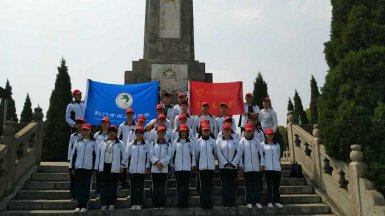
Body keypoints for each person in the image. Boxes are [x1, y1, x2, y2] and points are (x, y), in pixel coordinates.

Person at [95, 125, 127, 212]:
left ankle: (112, 203)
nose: (112, 133)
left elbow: (125, 156)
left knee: (113, 187)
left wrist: (122, 166)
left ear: (116, 133)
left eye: (114, 131)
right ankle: (104, 204)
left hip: (115, 167)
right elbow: (98, 155)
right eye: (110, 131)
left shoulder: (120, 143)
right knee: (104, 186)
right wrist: (97, 167)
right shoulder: (103, 143)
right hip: (104, 166)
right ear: (108, 133)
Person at [195, 124, 225, 209]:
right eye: (204, 130)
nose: (206, 131)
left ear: (209, 131)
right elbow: (196, 155)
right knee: (203, 186)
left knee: (210, 185)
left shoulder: (213, 141)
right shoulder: (198, 141)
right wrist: (197, 164)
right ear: (202, 131)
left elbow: (216, 153)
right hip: (202, 167)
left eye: (207, 130)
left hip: (211, 167)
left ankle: (209, 202)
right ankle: (203, 203)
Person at [70, 123, 97, 213]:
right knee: (78, 187)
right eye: (84, 130)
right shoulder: (78, 142)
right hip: (78, 167)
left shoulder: (94, 142)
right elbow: (73, 155)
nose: (85, 131)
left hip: (88, 168)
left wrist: (95, 167)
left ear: (90, 131)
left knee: (86, 187)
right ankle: (78, 204)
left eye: (87, 130)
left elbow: (96, 156)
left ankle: (85, 204)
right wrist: (72, 167)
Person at [238, 123, 265, 209]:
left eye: (250, 131)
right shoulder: (241, 142)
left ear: (252, 132)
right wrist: (241, 164)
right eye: (247, 131)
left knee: (256, 186)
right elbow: (240, 155)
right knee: (248, 186)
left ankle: (257, 201)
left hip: (256, 167)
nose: (249, 133)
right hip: (247, 168)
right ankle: (248, 201)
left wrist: (261, 164)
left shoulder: (257, 141)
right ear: (244, 132)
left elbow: (261, 154)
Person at [216, 123, 242, 207]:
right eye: (225, 130)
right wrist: (225, 163)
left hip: (233, 167)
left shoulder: (236, 141)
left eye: (228, 130)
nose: (227, 131)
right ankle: (226, 201)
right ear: (222, 131)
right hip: (223, 167)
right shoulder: (219, 141)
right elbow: (218, 153)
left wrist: (233, 163)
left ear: (231, 131)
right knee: (225, 185)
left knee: (232, 185)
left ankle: (232, 201)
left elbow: (239, 152)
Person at [171, 124, 196, 208]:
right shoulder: (175, 142)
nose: (183, 133)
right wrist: (172, 164)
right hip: (178, 168)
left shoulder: (191, 142)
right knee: (179, 186)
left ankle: (185, 203)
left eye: (185, 131)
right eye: (182, 132)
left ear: (187, 132)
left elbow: (193, 154)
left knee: (186, 186)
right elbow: (172, 154)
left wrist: (193, 164)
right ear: (180, 132)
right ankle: (180, 203)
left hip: (187, 167)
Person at [149, 126, 173, 209]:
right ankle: (155, 204)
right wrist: (156, 162)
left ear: (165, 134)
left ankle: (162, 204)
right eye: (160, 132)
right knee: (155, 187)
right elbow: (151, 154)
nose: (161, 134)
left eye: (163, 132)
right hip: (155, 169)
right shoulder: (152, 143)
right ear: (157, 133)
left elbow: (169, 155)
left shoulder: (168, 144)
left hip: (164, 169)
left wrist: (162, 163)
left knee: (163, 188)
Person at [127, 126, 150, 210]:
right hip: (132, 169)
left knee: (140, 187)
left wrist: (147, 166)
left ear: (143, 134)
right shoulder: (130, 144)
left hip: (142, 169)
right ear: (135, 134)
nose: (138, 134)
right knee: (132, 187)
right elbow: (127, 157)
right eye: (137, 133)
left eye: (140, 132)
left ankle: (140, 203)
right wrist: (126, 167)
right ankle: (133, 203)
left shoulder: (147, 144)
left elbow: (148, 157)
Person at [262, 128, 283, 208]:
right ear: (266, 135)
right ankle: (269, 201)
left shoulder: (277, 145)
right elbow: (262, 157)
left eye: (272, 134)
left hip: (277, 168)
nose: (271, 136)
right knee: (269, 186)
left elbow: (278, 156)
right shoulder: (262, 145)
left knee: (276, 186)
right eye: (269, 134)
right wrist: (263, 165)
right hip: (268, 168)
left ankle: (277, 201)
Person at [117, 108, 136, 189]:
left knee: (131, 165)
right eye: (128, 114)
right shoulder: (121, 126)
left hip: (133, 148)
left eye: (131, 113)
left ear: (133, 114)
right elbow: (118, 137)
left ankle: (130, 182)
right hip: (124, 148)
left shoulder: (136, 125)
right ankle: (122, 182)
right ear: (126, 115)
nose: (129, 115)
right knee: (123, 166)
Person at [67, 117, 85, 201]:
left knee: (81, 180)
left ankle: (81, 195)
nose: (80, 125)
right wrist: (70, 160)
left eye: (81, 123)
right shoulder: (73, 136)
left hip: (83, 161)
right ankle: (73, 195)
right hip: (74, 161)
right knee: (73, 179)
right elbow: (70, 148)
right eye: (78, 123)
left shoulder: (86, 135)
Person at [93, 116, 110, 200]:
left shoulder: (111, 134)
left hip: (108, 159)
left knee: (107, 177)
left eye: (106, 122)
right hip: (99, 159)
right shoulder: (97, 135)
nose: (104, 124)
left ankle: (106, 193)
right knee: (98, 177)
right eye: (103, 122)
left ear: (109, 124)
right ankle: (99, 193)